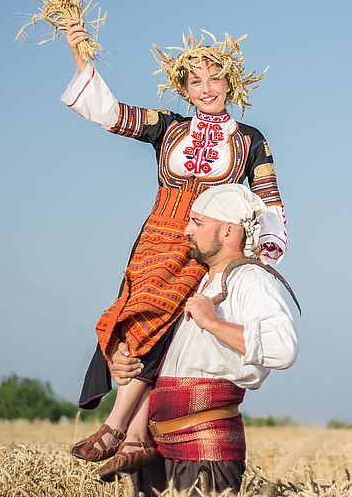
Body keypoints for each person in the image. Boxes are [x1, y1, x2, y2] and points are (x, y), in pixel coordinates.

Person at [63, 24, 288, 475]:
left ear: (231, 82)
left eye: (214, 78)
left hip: (203, 243)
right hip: (155, 240)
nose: (206, 89)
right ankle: (133, 434)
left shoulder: (250, 140)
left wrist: (262, 256)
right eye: (195, 81)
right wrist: (79, 57)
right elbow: (110, 114)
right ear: (184, 89)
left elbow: (269, 200)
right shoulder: (169, 128)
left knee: (174, 324)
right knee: (140, 320)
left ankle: (120, 427)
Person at [102, 183, 298, 492]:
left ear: (229, 232)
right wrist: (123, 361)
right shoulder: (192, 283)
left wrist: (212, 322)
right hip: (156, 452)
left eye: (198, 222)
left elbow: (282, 347)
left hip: (207, 455)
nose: (186, 230)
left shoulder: (251, 279)